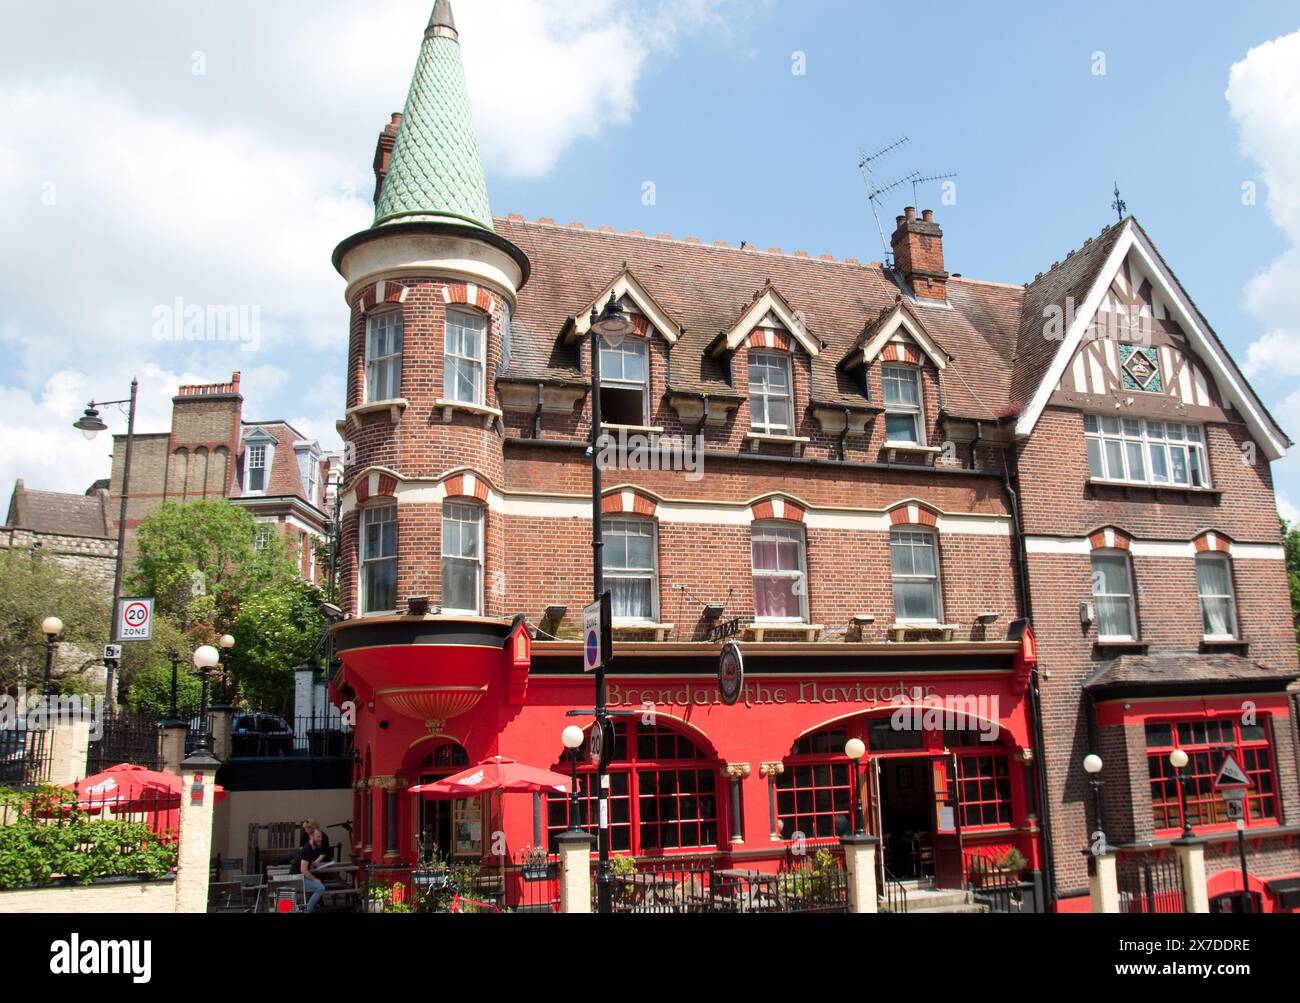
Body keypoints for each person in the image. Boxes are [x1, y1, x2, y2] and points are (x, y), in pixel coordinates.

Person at [293, 826, 329, 913]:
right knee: (320, 888)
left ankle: (309, 908)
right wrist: (315, 879)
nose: (320, 839)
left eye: (321, 837)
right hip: (297, 879)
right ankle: (307, 910)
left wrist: (320, 864)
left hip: (299, 878)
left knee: (318, 887)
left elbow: (309, 863)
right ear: (312, 836)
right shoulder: (308, 849)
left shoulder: (310, 849)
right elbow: (303, 870)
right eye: (318, 837)